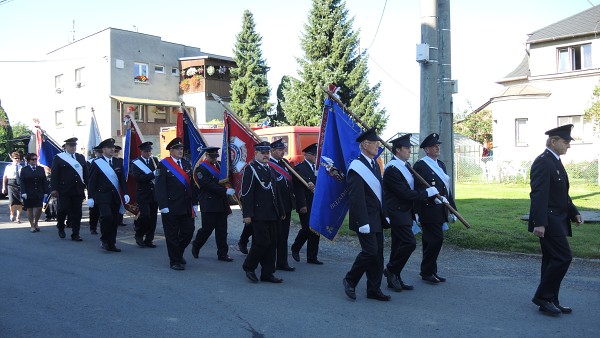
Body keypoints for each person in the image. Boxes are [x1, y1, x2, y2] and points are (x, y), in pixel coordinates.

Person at [529, 124, 584, 315]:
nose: (568, 145)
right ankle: (543, 297)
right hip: (549, 221)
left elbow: (561, 194)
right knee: (563, 257)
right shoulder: (543, 162)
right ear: (553, 142)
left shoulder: (555, 161)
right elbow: (539, 195)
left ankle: (551, 299)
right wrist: (539, 223)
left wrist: (573, 211)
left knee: (552, 259)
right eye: (565, 142)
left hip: (558, 219)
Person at [382, 134, 439, 292]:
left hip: (406, 212)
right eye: (407, 148)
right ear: (398, 150)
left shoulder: (405, 166)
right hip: (397, 212)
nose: (409, 151)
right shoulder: (392, 169)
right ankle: (390, 269)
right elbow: (405, 193)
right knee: (409, 243)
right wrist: (427, 193)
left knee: (398, 245)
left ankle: (395, 277)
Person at [342, 128, 390, 301]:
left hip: (376, 217)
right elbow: (356, 197)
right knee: (370, 252)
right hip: (365, 219)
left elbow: (380, 193)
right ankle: (350, 279)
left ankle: (373, 289)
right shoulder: (356, 167)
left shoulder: (374, 164)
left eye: (378, 142)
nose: (378, 145)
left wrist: (386, 214)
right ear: (364, 144)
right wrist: (362, 221)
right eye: (375, 143)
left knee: (378, 255)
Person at [413, 133, 457, 284]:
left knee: (430, 241)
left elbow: (446, 188)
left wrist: (452, 208)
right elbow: (418, 189)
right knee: (436, 240)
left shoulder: (441, 164)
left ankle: (430, 271)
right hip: (428, 209)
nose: (437, 148)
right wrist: (428, 200)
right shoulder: (420, 165)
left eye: (438, 145)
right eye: (433, 146)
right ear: (426, 150)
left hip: (441, 209)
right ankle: (427, 271)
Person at [240, 141, 285, 284]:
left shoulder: (269, 169)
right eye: (263, 153)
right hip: (258, 214)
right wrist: (247, 214)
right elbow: (246, 193)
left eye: (267, 153)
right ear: (256, 154)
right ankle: (249, 266)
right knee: (261, 242)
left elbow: (276, 192)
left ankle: (267, 273)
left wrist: (281, 210)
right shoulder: (250, 169)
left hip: (272, 213)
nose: (266, 155)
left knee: (272, 244)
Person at [155, 138, 196, 270]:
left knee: (189, 231)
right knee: (172, 235)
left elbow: (192, 185)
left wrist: (194, 203)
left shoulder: (186, 164)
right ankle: (175, 261)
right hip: (171, 206)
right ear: (171, 150)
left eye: (181, 149)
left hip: (186, 206)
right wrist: (163, 206)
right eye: (177, 149)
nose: (180, 151)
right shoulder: (163, 165)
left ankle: (178, 253)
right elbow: (160, 187)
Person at [191, 147, 236, 262]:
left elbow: (226, 178)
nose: (214, 159)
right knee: (207, 229)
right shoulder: (201, 169)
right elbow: (207, 184)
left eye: (216, 156)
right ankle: (196, 245)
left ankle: (222, 254)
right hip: (209, 202)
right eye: (212, 157)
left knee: (222, 230)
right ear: (206, 155)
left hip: (221, 203)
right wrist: (224, 191)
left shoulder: (220, 166)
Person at [87, 138, 129, 251]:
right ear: (103, 149)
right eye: (109, 148)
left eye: (113, 147)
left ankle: (112, 243)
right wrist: (90, 197)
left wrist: (125, 193)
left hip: (115, 196)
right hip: (102, 196)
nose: (112, 149)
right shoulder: (97, 163)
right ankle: (104, 239)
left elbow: (122, 180)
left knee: (114, 220)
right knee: (106, 217)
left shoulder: (118, 162)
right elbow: (91, 182)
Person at [50, 138, 88, 241]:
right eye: (71, 146)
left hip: (77, 190)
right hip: (64, 190)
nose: (73, 148)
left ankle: (75, 234)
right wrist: (54, 189)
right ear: (66, 146)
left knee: (77, 212)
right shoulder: (59, 158)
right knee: (63, 209)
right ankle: (61, 226)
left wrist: (88, 186)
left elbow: (85, 173)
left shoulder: (80, 157)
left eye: (74, 146)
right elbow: (54, 174)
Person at [291, 143, 323, 265]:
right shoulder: (300, 168)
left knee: (315, 230)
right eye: (314, 155)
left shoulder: (318, 168)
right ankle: (295, 247)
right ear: (307, 155)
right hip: (305, 203)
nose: (316, 157)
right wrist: (302, 205)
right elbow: (298, 189)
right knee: (306, 229)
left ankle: (312, 256)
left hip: (316, 203)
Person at [269, 138, 296, 272]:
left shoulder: (284, 163)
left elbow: (293, 179)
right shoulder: (268, 165)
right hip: (275, 205)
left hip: (286, 204)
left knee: (284, 235)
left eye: (283, 150)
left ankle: (282, 261)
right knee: (275, 235)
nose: (283, 152)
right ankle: (270, 262)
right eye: (280, 150)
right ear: (272, 151)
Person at [130, 142, 159, 248]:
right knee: (145, 216)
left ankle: (149, 239)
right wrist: (153, 174)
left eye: (150, 151)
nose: (148, 153)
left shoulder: (154, 160)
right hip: (143, 194)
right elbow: (138, 178)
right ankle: (139, 234)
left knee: (153, 218)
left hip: (154, 194)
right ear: (141, 152)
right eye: (146, 151)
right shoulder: (136, 162)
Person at [19, 153, 48, 232]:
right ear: (28, 161)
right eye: (33, 159)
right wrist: (23, 192)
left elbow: (44, 181)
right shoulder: (24, 170)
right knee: (30, 209)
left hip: (39, 191)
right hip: (29, 192)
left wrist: (46, 191)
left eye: (36, 159)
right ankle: (32, 225)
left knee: (39, 208)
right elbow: (22, 182)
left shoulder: (40, 169)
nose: (35, 160)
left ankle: (36, 222)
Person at [2, 151, 23, 223]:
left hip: (19, 185)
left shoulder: (21, 167)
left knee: (20, 202)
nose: (17, 159)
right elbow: (5, 177)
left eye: (18, 158)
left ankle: (18, 217)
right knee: (12, 202)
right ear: (12, 159)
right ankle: (12, 213)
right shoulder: (9, 167)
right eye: (15, 158)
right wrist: (3, 187)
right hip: (11, 184)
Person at [87, 146, 103, 234]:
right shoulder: (90, 162)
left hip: (104, 189)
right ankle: (93, 227)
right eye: (98, 152)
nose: (100, 154)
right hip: (94, 189)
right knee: (94, 210)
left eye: (101, 152)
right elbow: (89, 177)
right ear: (95, 153)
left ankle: (103, 226)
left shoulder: (106, 161)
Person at [113, 145, 126, 226]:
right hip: (112, 184)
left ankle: (120, 220)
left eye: (117, 151)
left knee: (120, 202)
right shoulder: (108, 161)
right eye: (115, 151)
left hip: (119, 184)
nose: (116, 153)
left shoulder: (121, 161)